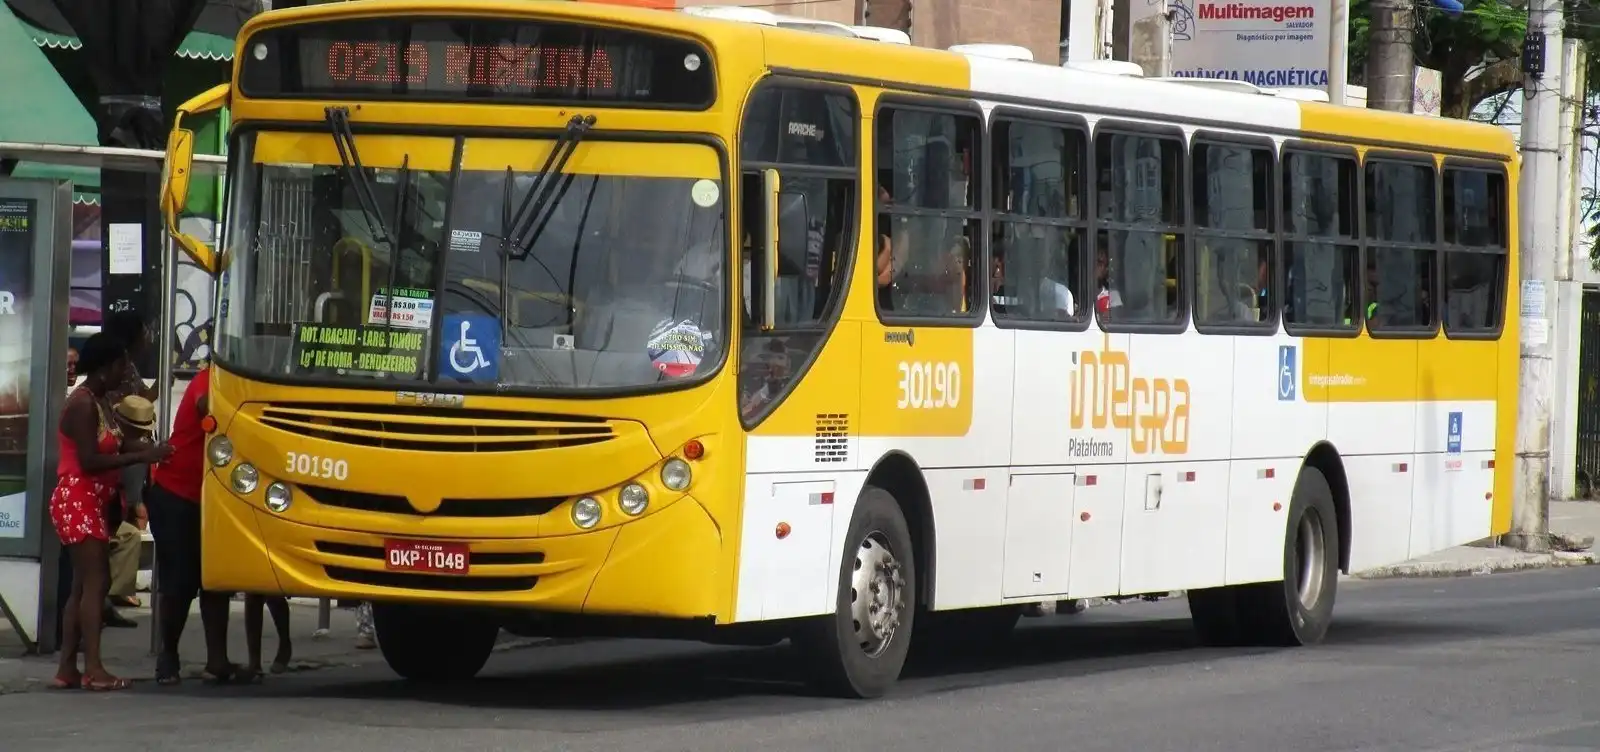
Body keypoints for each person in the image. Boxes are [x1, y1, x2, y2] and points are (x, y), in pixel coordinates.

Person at [48, 334, 171, 691]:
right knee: (96, 583)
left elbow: (116, 441)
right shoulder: (83, 405)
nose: (126, 373)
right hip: (78, 497)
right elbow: (89, 460)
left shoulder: (98, 401)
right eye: (122, 366)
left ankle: (68, 667)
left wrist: (150, 447)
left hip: (88, 499)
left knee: (82, 586)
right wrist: (141, 456)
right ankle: (94, 668)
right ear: (106, 367)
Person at [146, 357, 254, 685]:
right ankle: (168, 657)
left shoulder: (237, 387)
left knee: (215, 580)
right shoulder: (210, 381)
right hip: (176, 491)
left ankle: (217, 661)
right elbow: (208, 405)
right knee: (180, 581)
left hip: (212, 496)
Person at [104, 396, 158, 620]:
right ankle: (114, 595)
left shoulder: (120, 443)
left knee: (130, 535)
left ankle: (114, 595)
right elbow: (135, 501)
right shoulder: (137, 455)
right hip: (102, 512)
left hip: (109, 511)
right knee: (130, 535)